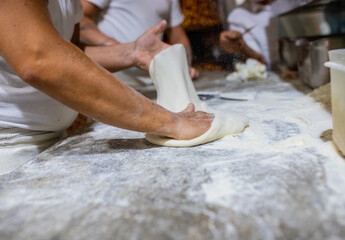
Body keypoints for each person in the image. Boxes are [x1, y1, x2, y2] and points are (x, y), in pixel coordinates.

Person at [0, 0, 213, 175]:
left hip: (49, 140)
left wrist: (132, 52)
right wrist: (170, 122)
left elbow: (70, 52)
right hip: (8, 148)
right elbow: (39, 58)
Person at [80, 0, 199, 80]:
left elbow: (177, 36)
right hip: (114, 78)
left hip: (155, 79)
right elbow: (81, 19)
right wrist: (124, 50)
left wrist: (183, 65)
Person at [218, 0, 278, 68]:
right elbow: (259, 60)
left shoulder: (289, 5)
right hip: (274, 74)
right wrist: (241, 45)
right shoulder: (239, 16)